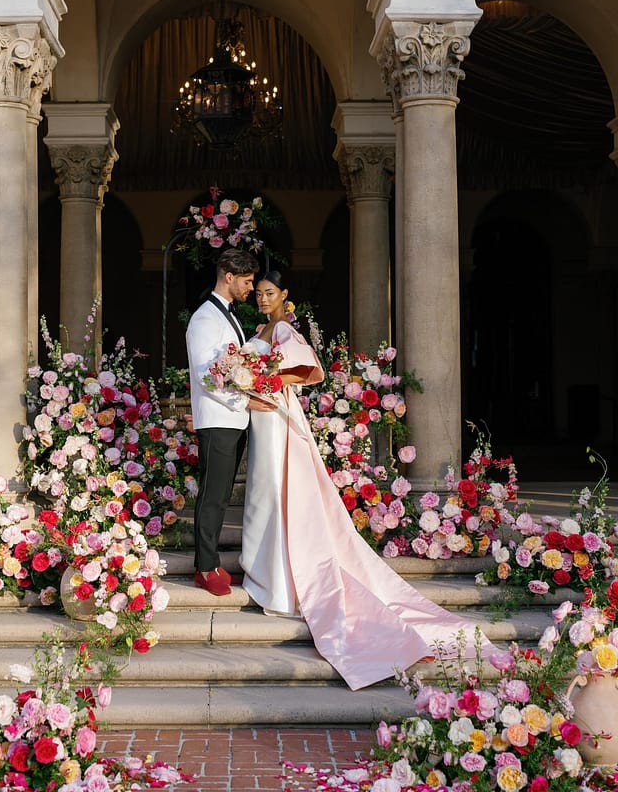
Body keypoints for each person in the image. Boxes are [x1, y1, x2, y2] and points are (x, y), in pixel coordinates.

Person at [240, 270, 493, 690]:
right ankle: (269, 570)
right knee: (266, 492)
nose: (263, 299)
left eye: (270, 293)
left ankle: (282, 579)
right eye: (260, 294)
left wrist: (260, 380)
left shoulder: (284, 328)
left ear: (285, 294)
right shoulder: (261, 328)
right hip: (262, 417)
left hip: (278, 416)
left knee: (279, 491)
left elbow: (309, 371)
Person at [186, 247, 276, 597]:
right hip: (217, 418)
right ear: (229, 277)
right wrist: (247, 399)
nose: (250, 288)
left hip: (233, 418)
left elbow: (233, 363)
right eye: (247, 281)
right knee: (212, 494)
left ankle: (212, 563)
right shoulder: (204, 319)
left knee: (221, 494)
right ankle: (204, 568)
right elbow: (205, 375)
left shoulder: (227, 315)